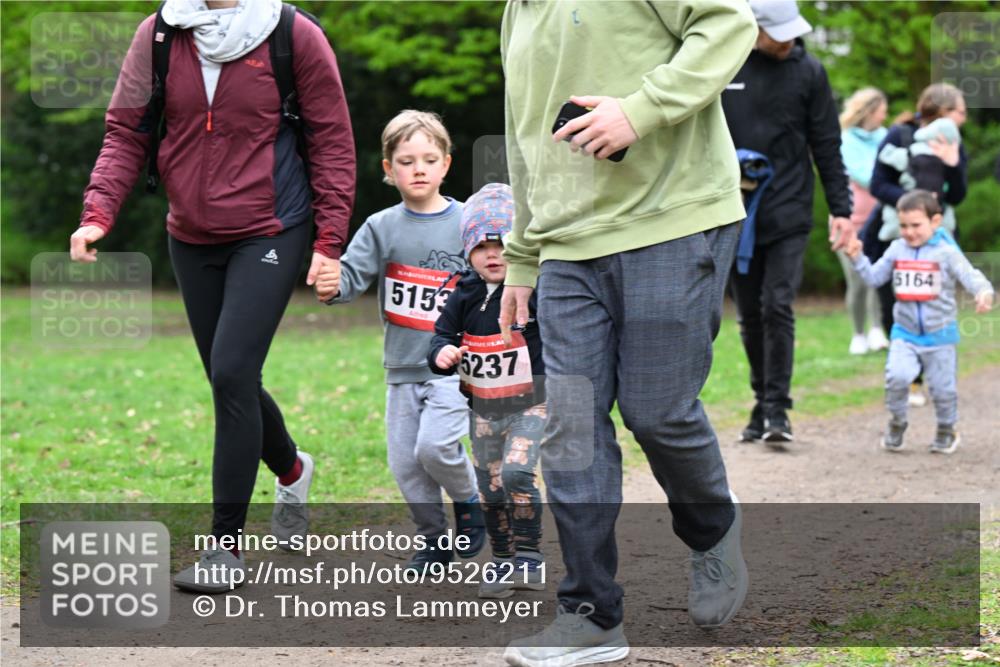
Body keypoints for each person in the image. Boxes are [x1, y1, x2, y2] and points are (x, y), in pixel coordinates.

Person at [498, 1, 761, 665]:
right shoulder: (516, 12)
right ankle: (590, 613)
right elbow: (523, 136)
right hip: (564, 243)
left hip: (671, 215)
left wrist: (639, 109)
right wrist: (522, 255)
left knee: (658, 412)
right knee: (573, 424)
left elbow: (728, 25)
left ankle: (712, 527)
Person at [69, 0, 355, 593]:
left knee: (230, 373)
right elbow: (126, 131)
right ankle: (293, 468)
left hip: (271, 227)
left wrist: (329, 241)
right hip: (190, 234)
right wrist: (98, 213)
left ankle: (225, 548)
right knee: (232, 381)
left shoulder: (291, 34)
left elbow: (331, 140)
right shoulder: (158, 34)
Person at [315, 110, 485, 571]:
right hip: (402, 366)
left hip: (455, 364)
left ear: (446, 164)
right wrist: (333, 283)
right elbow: (351, 276)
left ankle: (470, 501)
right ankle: (434, 542)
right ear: (388, 169)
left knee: (434, 447)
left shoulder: (469, 219)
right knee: (406, 465)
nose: (419, 168)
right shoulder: (381, 226)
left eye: (429, 159)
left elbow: (498, 271)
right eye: (407, 160)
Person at [722, 0, 853, 446]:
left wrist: (843, 210)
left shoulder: (809, 71)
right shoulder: (724, 64)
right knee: (750, 315)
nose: (788, 40)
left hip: (789, 210)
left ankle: (778, 409)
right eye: (778, 32)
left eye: (792, 31)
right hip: (733, 213)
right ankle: (762, 402)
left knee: (777, 304)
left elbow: (827, 144)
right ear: (753, 28)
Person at [428, 183, 547, 600]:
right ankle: (502, 558)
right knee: (491, 488)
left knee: (516, 473)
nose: (492, 253)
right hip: (483, 408)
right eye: (480, 246)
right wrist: (443, 352)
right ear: (468, 252)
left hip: (532, 403)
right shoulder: (464, 293)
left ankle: (529, 553)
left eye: (501, 243)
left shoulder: (536, 291)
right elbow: (440, 335)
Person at [845, 190, 993, 453]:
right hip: (905, 333)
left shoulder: (946, 253)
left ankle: (947, 429)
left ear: (935, 222)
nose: (909, 232)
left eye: (916, 225)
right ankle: (897, 422)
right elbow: (874, 278)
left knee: (942, 390)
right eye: (903, 226)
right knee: (897, 378)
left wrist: (983, 292)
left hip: (941, 335)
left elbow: (970, 274)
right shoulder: (897, 249)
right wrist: (858, 258)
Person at [868, 83, 969, 408]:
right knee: (893, 304)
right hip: (894, 233)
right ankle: (909, 378)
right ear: (941, 111)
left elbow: (957, 196)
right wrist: (914, 208)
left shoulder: (952, 141)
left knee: (936, 302)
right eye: (959, 111)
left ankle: (936, 373)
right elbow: (878, 184)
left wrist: (953, 164)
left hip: (939, 238)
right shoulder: (898, 136)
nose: (964, 118)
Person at [838, 87, 890, 355]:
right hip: (851, 222)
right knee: (857, 281)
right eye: (882, 110)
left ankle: (877, 330)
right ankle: (858, 332)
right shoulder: (846, 140)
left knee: (878, 277)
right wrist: (886, 179)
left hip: (881, 220)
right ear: (870, 110)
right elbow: (864, 176)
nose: (885, 115)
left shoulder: (885, 137)